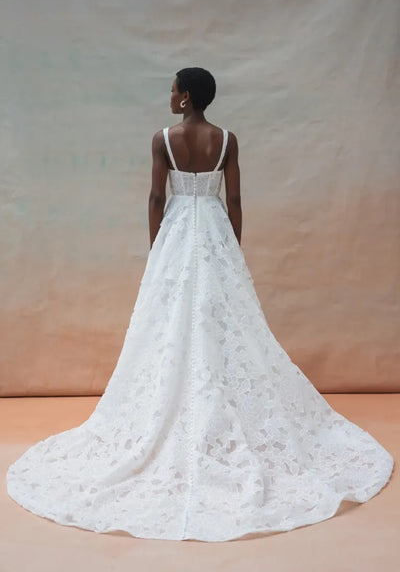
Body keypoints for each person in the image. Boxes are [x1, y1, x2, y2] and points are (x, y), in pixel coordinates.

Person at [6, 67, 394, 543]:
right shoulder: (227, 140)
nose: (169, 95)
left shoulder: (162, 139)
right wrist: (233, 247)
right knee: (220, 318)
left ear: (185, 97)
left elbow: (155, 197)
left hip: (175, 233)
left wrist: (156, 250)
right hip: (212, 230)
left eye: (173, 89)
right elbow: (234, 199)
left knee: (169, 319)